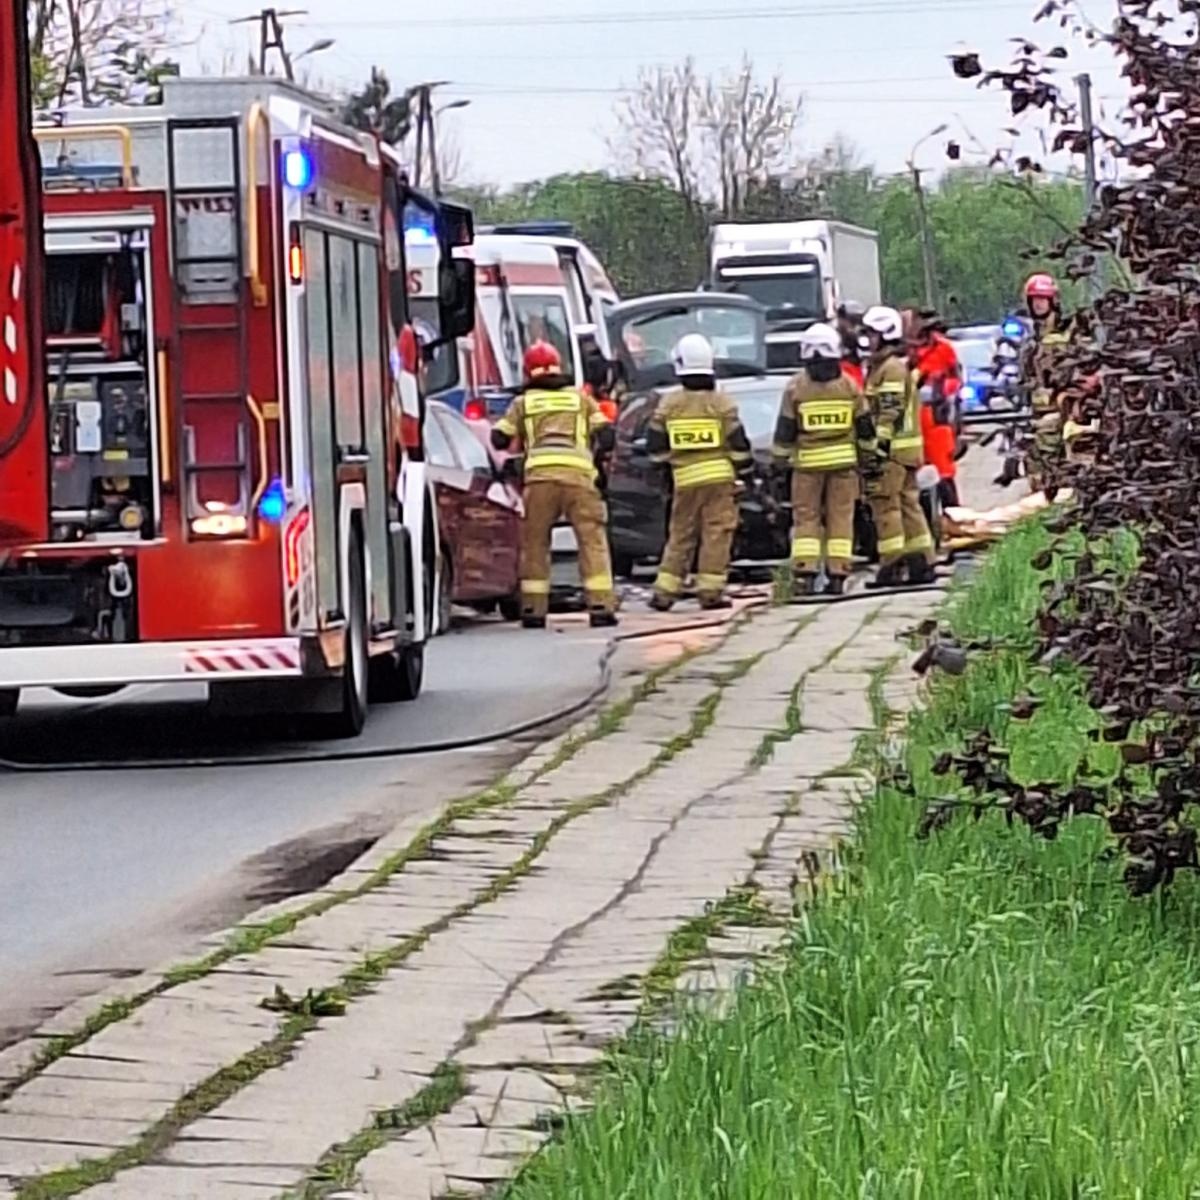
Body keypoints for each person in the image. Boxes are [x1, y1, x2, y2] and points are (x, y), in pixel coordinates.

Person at [492, 341, 618, 629]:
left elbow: (499, 438)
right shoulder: (580, 399)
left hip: (540, 481)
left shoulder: (523, 403)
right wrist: (594, 457)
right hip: (579, 480)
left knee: (535, 544)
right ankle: (600, 606)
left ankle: (533, 610)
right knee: (592, 541)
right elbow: (607, 434)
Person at [645, 333, 753, 611]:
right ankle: (710, 592)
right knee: (716, 534)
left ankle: (664, 592)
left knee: (681, 535)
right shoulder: (722, 403)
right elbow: (739, 444)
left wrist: (664, 469)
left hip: (684, 481)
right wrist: (747, 470)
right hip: (720, 481)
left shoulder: (669, 404)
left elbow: (655, 446)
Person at [773, 322, 871, 597]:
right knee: (842, 519)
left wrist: (779, 464)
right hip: (844, 468)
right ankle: (838, 574)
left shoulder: (796, 388)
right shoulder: (849, 386)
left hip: (807, 469)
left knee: (807, 519)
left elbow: (785, 431)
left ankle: (805, 573)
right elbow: (865, 427)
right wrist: (868, 458)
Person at [860, 305, 936, 587]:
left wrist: (877, 447)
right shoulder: (888, 366)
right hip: (904, 451)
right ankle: (922, 562)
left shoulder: (889, 369)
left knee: (886, 506)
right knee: (908, 506)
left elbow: (889, 409)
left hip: (891, 451)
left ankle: (891, 565)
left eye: (871, 334)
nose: (868, 340)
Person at [1021, 272, 1071, 492]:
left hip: (1064, 410)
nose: (1039, 304)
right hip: (1037, 411)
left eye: (1043, 299)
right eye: (1034, 300)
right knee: (1034, 463)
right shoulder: (1031, 338)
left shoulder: (1069, 332)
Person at [911, 310, 963, 508]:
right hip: (911, 420)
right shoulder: (903, 353)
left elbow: (956, 378)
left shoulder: (943, 348)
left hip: (936, 416)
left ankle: (954, 516)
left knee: (943, 473)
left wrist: (941, 392)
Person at [836, 300, 866, 388]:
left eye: (858, 321)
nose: (855, 326)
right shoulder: (834, 337)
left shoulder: (864, 336)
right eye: (852, 321)